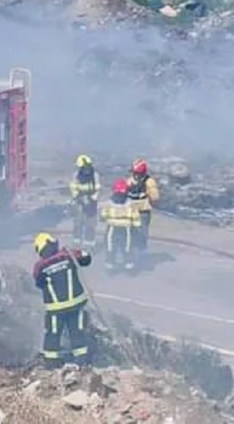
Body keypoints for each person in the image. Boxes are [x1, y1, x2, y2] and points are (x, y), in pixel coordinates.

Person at [32, 232, 93, 367]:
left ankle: (51, 364)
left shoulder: (40, 266)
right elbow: (86, 259)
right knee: (77, 333)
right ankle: (82, 363)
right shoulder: (68, 255)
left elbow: (39, 283)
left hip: (56, 309)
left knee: (52, 335)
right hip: (76, 305)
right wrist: (80, 253)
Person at [101, 179, 142, 271]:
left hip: (120, 229)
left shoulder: (128, 203)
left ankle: (122, 266)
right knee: (115, 247)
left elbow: (103, 215)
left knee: (121, 247)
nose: (119, 197)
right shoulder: (128, 203)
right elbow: (136, 216)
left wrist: (137, 226)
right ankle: (115, 266)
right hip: (119, 228)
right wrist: (137, 226)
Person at [126, 158, 160, 256]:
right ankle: (132, 252)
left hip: (143, 213)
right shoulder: (130, 181)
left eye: (137, 173)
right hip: (131, 212)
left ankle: (141, 253)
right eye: (135, 173)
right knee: (132, 233)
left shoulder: (149, 182)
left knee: (142, 234)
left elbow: (155, 197)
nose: (136, 175)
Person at [69, 154, 101, 247]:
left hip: (91, 203)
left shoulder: (95, 176)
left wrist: (91, 199)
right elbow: (73, 188)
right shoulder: (76, 175)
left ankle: (89, 245)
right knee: (77, 223)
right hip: (79, 201)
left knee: (90, 225)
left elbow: (97, 189)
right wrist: (79, 198)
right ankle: (76, 243)